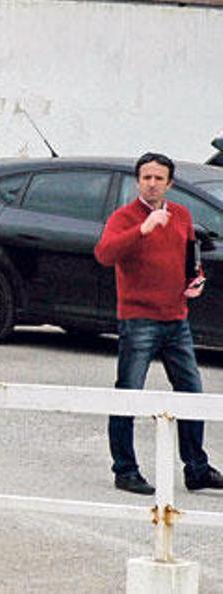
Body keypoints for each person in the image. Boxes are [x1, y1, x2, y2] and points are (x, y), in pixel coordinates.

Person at [94, 152, 223, 495]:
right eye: (146, 177)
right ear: (138, 181)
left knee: (192, 395)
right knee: (129, 394)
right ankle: (125, 470)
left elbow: (188, 257)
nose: (152, 184)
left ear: (170, 183)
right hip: (139, 321)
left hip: (176, 319)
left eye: (158, 178)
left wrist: (195, 278)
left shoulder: (181, 215)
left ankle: (196, 468)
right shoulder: (124, 218)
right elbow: (104, 254)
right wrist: (142, 229)